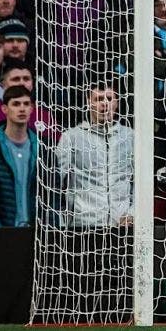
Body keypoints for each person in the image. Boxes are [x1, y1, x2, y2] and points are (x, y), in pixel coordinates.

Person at [54, 83, 134, 227]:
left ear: (117, 102)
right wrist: (61, 221)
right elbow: (56, 181)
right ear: (88, 102)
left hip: (122, 225)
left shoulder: (130, 136)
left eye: (109, 99)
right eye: (98, 99)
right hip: (84, 225)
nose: (104, 104)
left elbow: (140, 183)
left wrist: (132, 214)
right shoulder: (72, 137)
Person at [0, 86, 38, 227]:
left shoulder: (43, 149)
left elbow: (54, 194)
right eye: (16, 104)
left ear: (32, 108)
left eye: (26, 104)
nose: (22, 109)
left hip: (35, 233)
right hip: (3, 232)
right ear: (4, 109)